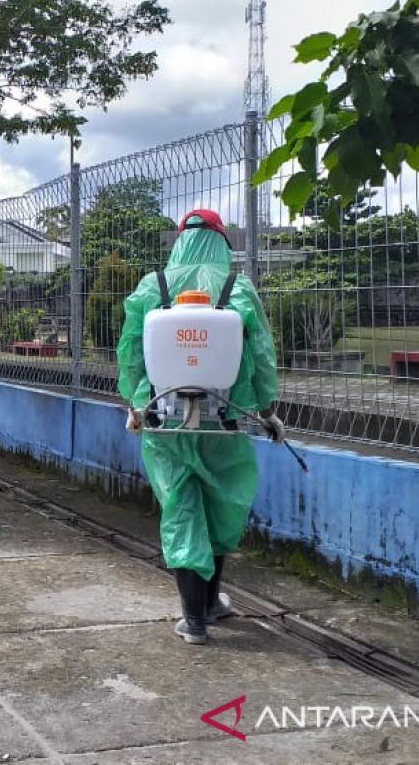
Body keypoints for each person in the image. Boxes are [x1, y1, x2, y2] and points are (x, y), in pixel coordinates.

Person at [116, 209, 283, 645]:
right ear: (222, 243)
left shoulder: (155, 286)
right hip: (226, 419)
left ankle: (194, 619)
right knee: (221, 508)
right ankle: (209, 603)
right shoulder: (238, 288)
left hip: (166, 421)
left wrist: (136, 407)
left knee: (182, 509)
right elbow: (261, 356)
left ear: (180, 243)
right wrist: (267, 412)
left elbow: (131, 352)